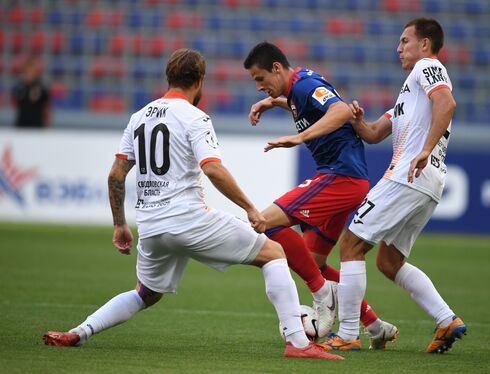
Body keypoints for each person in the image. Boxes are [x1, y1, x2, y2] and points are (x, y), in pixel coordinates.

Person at [42, 48, 343, 361]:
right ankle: (297, 342)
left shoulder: (139, 117)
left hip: (151, 226)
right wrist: (251, 209)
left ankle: (80, 332)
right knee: (274, 253)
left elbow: (116, 175)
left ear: (168, 78)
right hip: (189, 221)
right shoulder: (195, 117)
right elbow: (212, 168)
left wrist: (119, 225)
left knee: (145, 293)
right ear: (199, 81)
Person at [319, 17, 467, 353]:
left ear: (425, 45)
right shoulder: (407, 99)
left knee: (351, 244)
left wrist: (425, 150)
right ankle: (447, 320)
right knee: (388, 261)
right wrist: (357, 120)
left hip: (407, 175)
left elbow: (447, 103)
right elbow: (372, 134)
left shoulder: (428, 67)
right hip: (428, 183)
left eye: (405, 41)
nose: (398, 48)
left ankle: (348, 332)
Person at [243, 42, 397, 349]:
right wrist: (275, 103)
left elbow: (339, 111)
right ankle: (375, 325)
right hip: (348, 179)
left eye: (261, 79)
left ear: (277, 67)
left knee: (265, 223)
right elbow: (312, 107)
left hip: (339, 176)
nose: (259, 87)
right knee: (313, 260)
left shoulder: (305, 84)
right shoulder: (298, 89)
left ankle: (322, 295)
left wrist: (299, 137)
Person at [11, 57, 51, 128]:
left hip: (37, 125)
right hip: (21, 124)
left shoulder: (41, 88)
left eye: (31, 71)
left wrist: (47, 125)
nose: (29, 74)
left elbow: (46, 107)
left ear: (35, 72)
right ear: (24, 72)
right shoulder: (19, 87)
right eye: (27, 72)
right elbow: (16, 104)